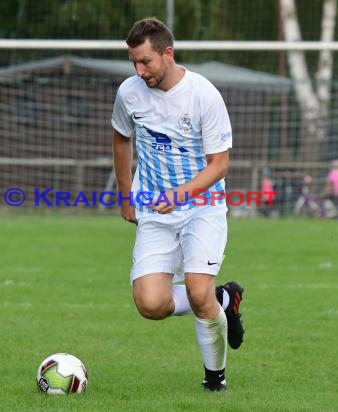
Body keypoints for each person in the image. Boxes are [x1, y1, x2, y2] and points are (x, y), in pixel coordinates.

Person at [111, 17, 244, 392]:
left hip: (202, 208)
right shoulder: (129, 92)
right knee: (150, 304)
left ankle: (214, 379)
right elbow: (122, 138)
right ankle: (225, 298)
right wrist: (126, 195)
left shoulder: (203, 95)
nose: (139, 71)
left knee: (198, 293)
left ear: (167, 53)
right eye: (134, 62)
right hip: (155, 211)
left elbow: (220, 164)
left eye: (145, 62)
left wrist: (180, 194)